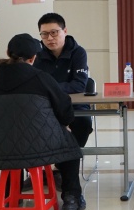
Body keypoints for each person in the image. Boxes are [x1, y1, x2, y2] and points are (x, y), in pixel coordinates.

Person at [0, 34, 85, 210]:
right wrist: (65, 124)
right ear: (33, 58)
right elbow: (64, 108)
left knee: (13, 134)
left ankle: (9, 193)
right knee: (70, 146)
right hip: (38, 148)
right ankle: (71, 198)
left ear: (8, 52)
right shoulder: (40, 77)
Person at [34, 13, 92, 147]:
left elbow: (79, 85)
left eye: (54, 33)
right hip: (47, 105)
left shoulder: (78, 53)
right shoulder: (37, 54)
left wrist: (49, 88)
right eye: (44, 34)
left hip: (75, 105)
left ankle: (72, 156)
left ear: (65, 31)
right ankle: (49, 156)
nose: (49, 38)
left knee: (83, 122)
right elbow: (34, 84)